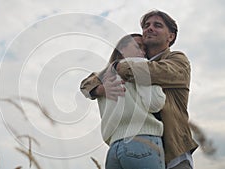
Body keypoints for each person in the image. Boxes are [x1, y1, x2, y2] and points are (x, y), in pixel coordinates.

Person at [80, 10, 198, 169]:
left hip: (173, 150)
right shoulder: (134, 64)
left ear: (170, 36)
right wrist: (99, 89)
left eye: (157, 25)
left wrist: (117, 65)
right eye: (146, 25)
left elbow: (154, 72)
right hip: (139, 145)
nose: (150, 28)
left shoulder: (177, 60)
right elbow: (87, 83)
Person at [96, 33, 166, 169]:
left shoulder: (102, 78)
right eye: (138, 46)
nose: (143, 51)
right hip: (143, 142)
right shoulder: (141, 65)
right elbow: (155, 103)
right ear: (122, 49)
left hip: (114, 149)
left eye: (144, 48)